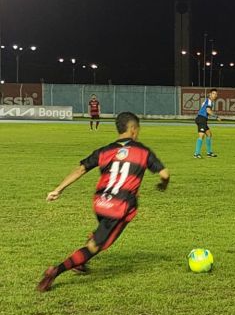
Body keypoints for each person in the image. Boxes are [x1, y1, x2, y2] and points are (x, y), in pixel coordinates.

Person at [37, 112, 170, 292]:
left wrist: (58, 190)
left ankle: (81, 264)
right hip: (119, 207)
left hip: (100, 203)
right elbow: (165, 174)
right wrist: (163, 184)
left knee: (101, 231)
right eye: (138, 129)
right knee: (94, 246)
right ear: (133, 129)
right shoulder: (143, 151)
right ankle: (57, 270)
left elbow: (80, 169)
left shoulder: (104, 150)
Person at [194, 89, 222, 158]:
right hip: (201, 119)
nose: (215, 95)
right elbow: (208, 111)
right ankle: (196, 154)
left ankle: (209, 153)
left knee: (209, 134)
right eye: (213, 93)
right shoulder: (209, 101)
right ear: (210, 94)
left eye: (216, 94)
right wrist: (216, 116)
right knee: (201, 136)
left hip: (203, 119)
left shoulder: (209, 101)